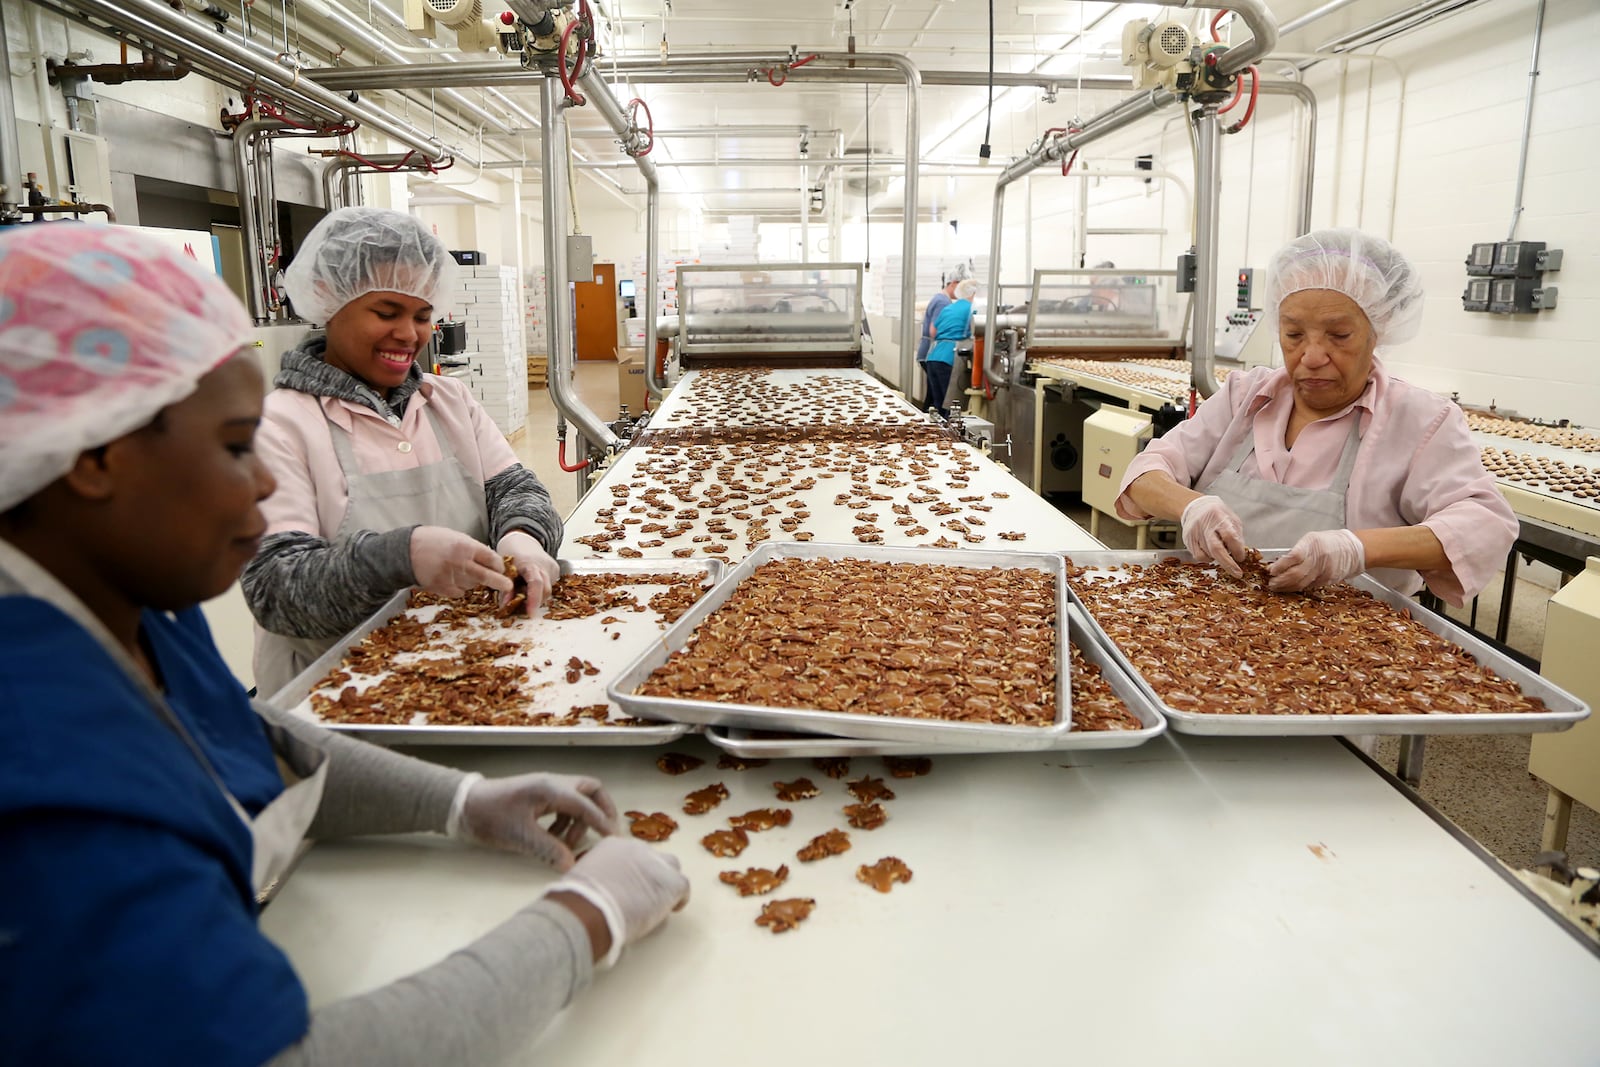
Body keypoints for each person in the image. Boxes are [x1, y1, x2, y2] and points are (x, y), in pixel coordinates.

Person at [0, 224, 690, 1065]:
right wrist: (588, 918)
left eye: (422, 312)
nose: (257, 480)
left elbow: (256, 741)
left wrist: (458, 801)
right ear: (91, 457)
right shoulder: (49, 775)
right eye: (229, 448)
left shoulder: (123, 612)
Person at [242, 207, 564, 697]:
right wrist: (399, 557)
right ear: (329, 301)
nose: (409, 334)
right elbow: (275, 589)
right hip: (336, 703)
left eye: (422, 315)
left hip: (470, 678)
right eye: (387, 313)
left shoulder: (447, 400)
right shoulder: (279, 425)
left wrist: (524, 538)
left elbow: (515, 489)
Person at [1116, 228, 1516, 604]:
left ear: (1378, 330)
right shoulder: (1244, 396)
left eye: (1339, 336)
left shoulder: (1419, 420)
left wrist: (1358, 549)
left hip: (1350, 639)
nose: (1311, 356)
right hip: (1213, 613)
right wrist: (1192, 507)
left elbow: (1484, 523)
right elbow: (1146, 474)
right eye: (1293, 335)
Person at [917, 263, 969, 411]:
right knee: (940, 402)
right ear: (954, 284)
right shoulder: (943, 302)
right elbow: (934, 330)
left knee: (934, 399)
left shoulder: (941, 300)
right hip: (939, 354)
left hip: (933, 354)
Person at [925, 278, 979, 418]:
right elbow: (976, 332)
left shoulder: (948, 308)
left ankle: (938, 437)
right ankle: (950, 438)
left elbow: (933, 331)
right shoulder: (971, 309)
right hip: (950, 358)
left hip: (933, 357)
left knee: (938, 406)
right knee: (952, 407)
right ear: (973, 293)